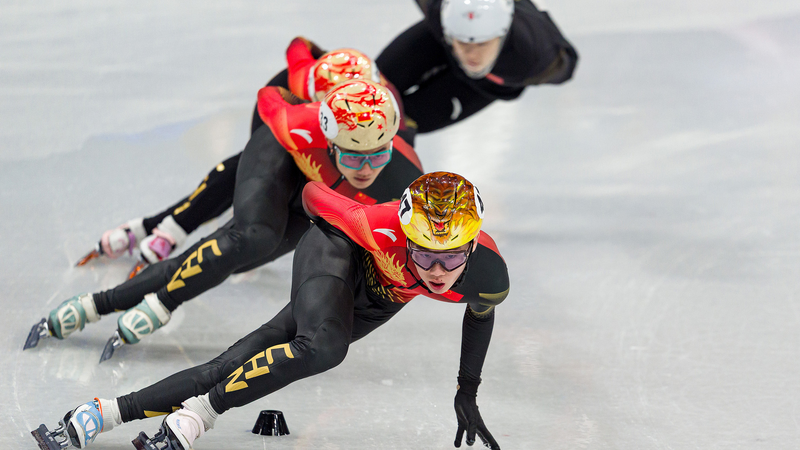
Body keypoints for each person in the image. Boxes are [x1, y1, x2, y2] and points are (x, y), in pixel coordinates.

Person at [33, 172, 509, 450]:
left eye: (451, 258)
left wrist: (467, 392)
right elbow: (313, 196)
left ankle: (105, 412)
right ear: (405, 237)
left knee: (237, 361)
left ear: (472, 247)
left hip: (374, 302)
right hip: (334, 252)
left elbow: (479, 318)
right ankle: (201, 413)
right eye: (423, 253)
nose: (438, 272)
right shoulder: (375, 224)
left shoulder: (488, 276)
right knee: (323, 347)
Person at [26, 78, 424, 355]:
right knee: (252, 236)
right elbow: (269, 96)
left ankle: (101, 300)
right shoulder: (298, 125)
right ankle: (128, 300)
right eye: (353, 156)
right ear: (330, 140)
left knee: (234, 259)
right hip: (280, 156)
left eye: (378, 155)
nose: (366, 169)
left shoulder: (403, 180)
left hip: (317, 196)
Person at [77, 37, 387, 271]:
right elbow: (298, 46)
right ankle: (168, 228)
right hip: (283, 117)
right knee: (253, 172)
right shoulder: (299, 85)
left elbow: (299, 45)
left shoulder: (380, 106)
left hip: (324, 129)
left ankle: (158, 228)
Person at [374, 0, 579, 133]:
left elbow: (567, 65)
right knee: (373, 85)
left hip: (482, 85)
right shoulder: (438, 10)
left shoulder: (533, 55)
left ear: (502, 34)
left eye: (482, 44)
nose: (472, 55)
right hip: (442, 43)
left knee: (406, 122)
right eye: (464, 43)